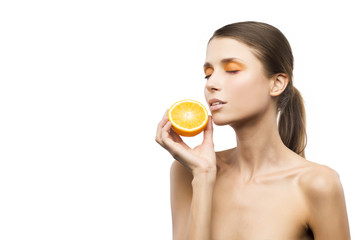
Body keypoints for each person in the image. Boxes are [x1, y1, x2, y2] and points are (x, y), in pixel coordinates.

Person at [155, 21, 350, 240]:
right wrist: (202, 176)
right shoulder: (187, 171)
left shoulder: (318, 184)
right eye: (208, 74)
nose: (211, 84)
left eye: (232, 70)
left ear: (276, 84)